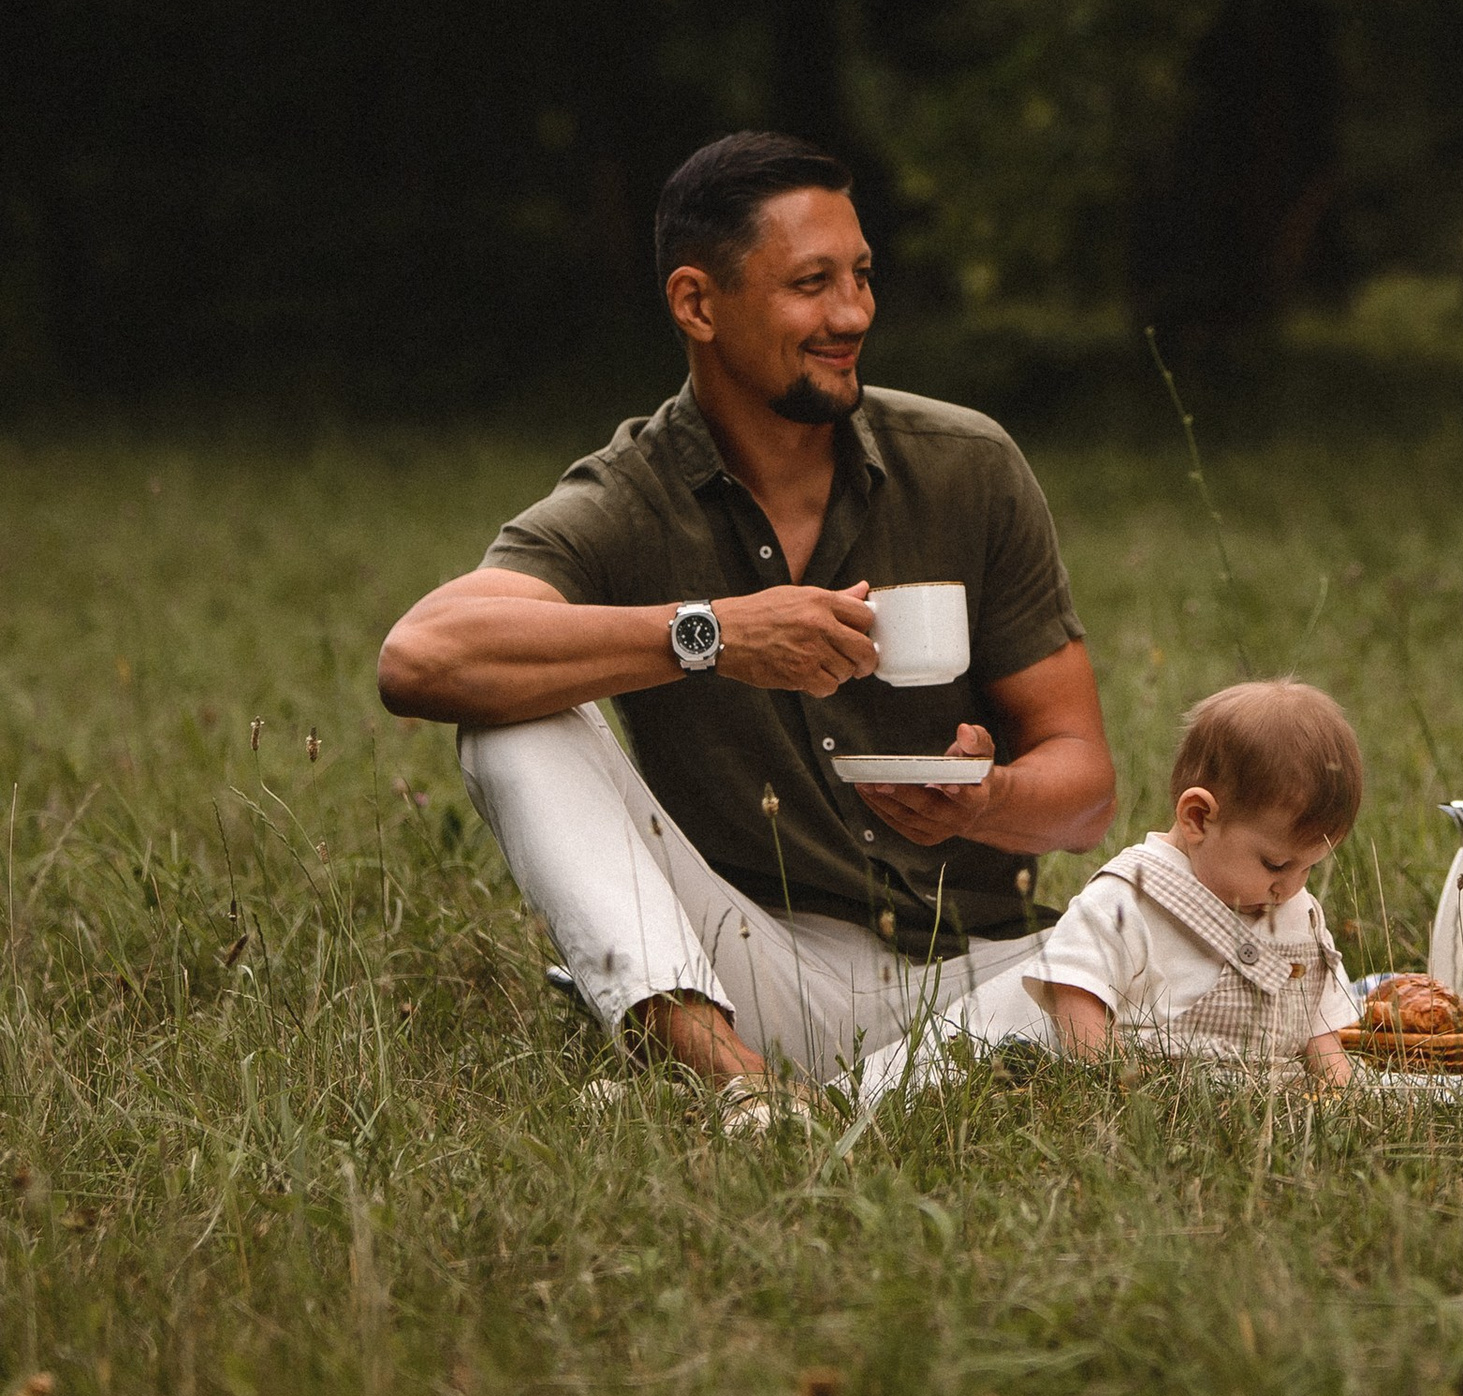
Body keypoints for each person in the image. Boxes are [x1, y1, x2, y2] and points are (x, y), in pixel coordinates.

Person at [377, 132, 1115, 1109]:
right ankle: (739, 1086)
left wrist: (988, 801)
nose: (853, 313)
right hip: (755, 968)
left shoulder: (966, 465)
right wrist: (710, 636)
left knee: (1196, 924)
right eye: (811, 283)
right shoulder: (628, 499)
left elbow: (1088, 792)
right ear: (697, 303)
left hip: (985, 970)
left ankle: (866, 1091)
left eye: (860, 275)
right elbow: (420, 658)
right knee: (516, 722)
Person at [906, 679, 1364, 1091]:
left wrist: (1341, 1094)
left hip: (1258, 1105)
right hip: (1158, 1095)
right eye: (1276, 863)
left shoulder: (1292, 912)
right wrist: (1119, 1090)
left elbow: (1316, 1023)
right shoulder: (1131, 897)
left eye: (1308, 867)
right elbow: (1075, 991)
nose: (1290, 887)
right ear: (1198, 818)